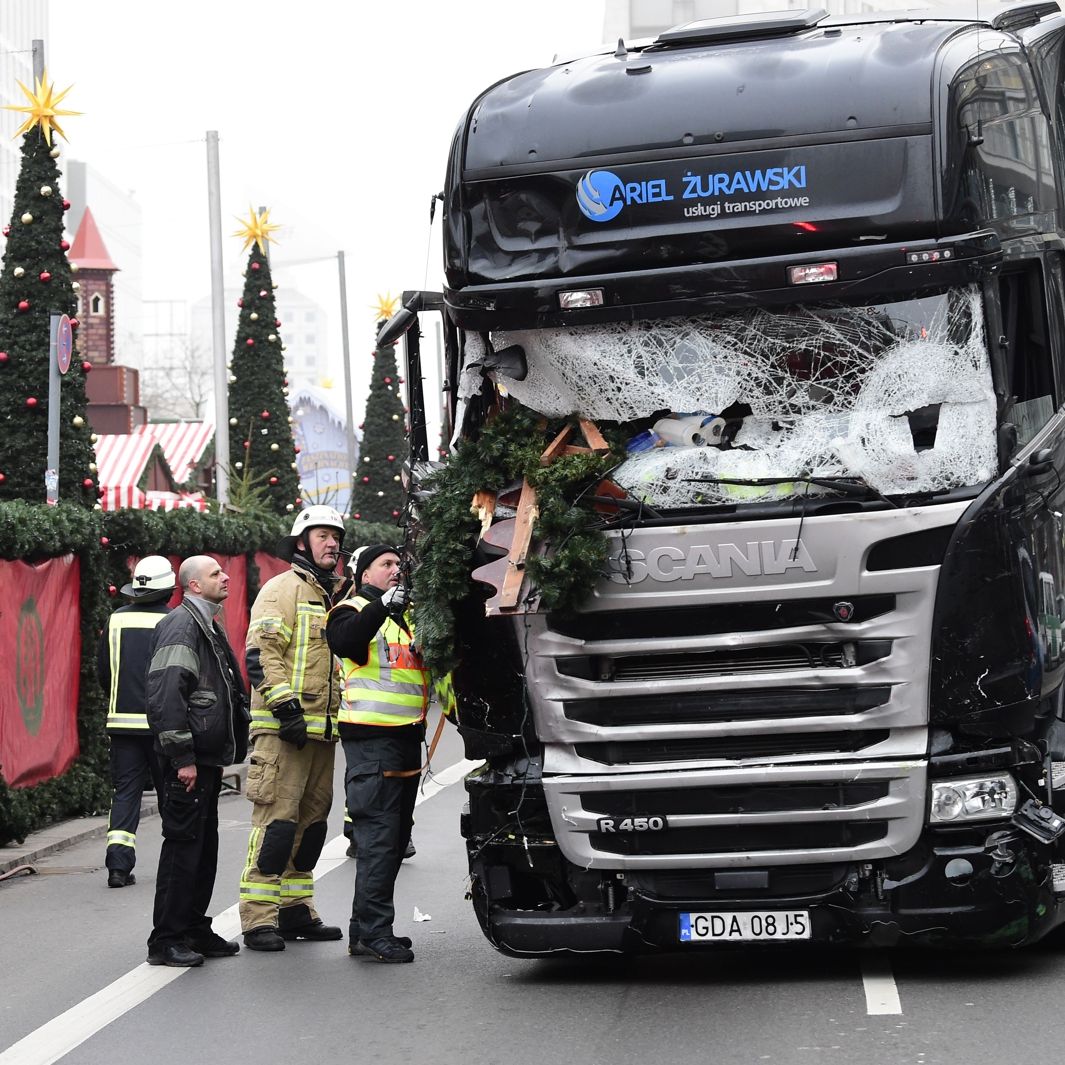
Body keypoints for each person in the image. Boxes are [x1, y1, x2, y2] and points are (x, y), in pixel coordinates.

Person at [238, 505, 346, 951]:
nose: (332, 543)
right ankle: (258, 919)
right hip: (284, 730)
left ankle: (296, 909)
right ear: (302, 543)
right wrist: (287, 710)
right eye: (323, 535)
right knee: (276, 825)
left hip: (321, 732)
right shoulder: (281, 589)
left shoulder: (330, 595)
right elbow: (261, 654)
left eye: (336, 537)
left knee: (311, 826)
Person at [326, 544, 429, 964]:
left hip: (405, 739)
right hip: (371, 741)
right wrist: (382, 606)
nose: (396, 570)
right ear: (364, 574)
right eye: (386, 564)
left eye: (399, 564)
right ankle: (374, 932)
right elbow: (346, 641)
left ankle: (364, 930)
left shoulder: (405, 619)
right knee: (379, 840)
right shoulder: (350, 610)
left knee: (395, 840)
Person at [145, 555, 249, 967]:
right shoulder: (181, 626)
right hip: (187, 761)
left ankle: (193, 928)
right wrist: (182, 756)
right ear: (193, 585)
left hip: (205, 758)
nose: (226, 577)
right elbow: (166, 695)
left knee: (203, 848)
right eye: (215, 574)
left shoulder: (206, 623)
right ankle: (166, 939)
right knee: (184, 847)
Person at [96, 556, 174, 889]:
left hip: (122, 725)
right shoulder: (174, 621)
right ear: (169, 589)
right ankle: (175, 865)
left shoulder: (115, 620)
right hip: (163, 726)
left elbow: (104, 672)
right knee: (170, 795)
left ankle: (118, 866)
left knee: (126, 793)